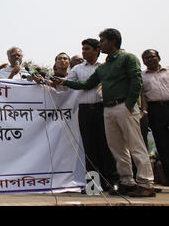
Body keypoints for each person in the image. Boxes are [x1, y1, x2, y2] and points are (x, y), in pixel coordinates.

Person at [54, 28, 155, 197]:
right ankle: (127, 182)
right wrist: (62, 82)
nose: (100, 44)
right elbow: (86, 85)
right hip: (108, 109)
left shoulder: (128, 58)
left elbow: (136, 81)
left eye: (102, 41)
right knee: (117, 148)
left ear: (112, 41)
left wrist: (130, 104)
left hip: (124, 106)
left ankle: (146, 183)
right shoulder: (104, 68)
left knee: (135, 145)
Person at [67, 38, 118, 191]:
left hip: (104, 109)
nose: (84, 52)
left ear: (97, 50)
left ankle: (111, 182)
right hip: (85, 111)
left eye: (87, 49)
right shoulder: (77, 69)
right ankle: (93, 185)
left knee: (106, 146)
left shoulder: (105, 67)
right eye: (83, 49)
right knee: (89, 148)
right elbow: (67, 85)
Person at [141, 49, 169, 185]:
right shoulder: (142, 76)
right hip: (155, 110)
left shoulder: (168, 71)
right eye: (146, 58)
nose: (149, 60)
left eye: (152, 57)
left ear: (158, 57)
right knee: (162, 144)